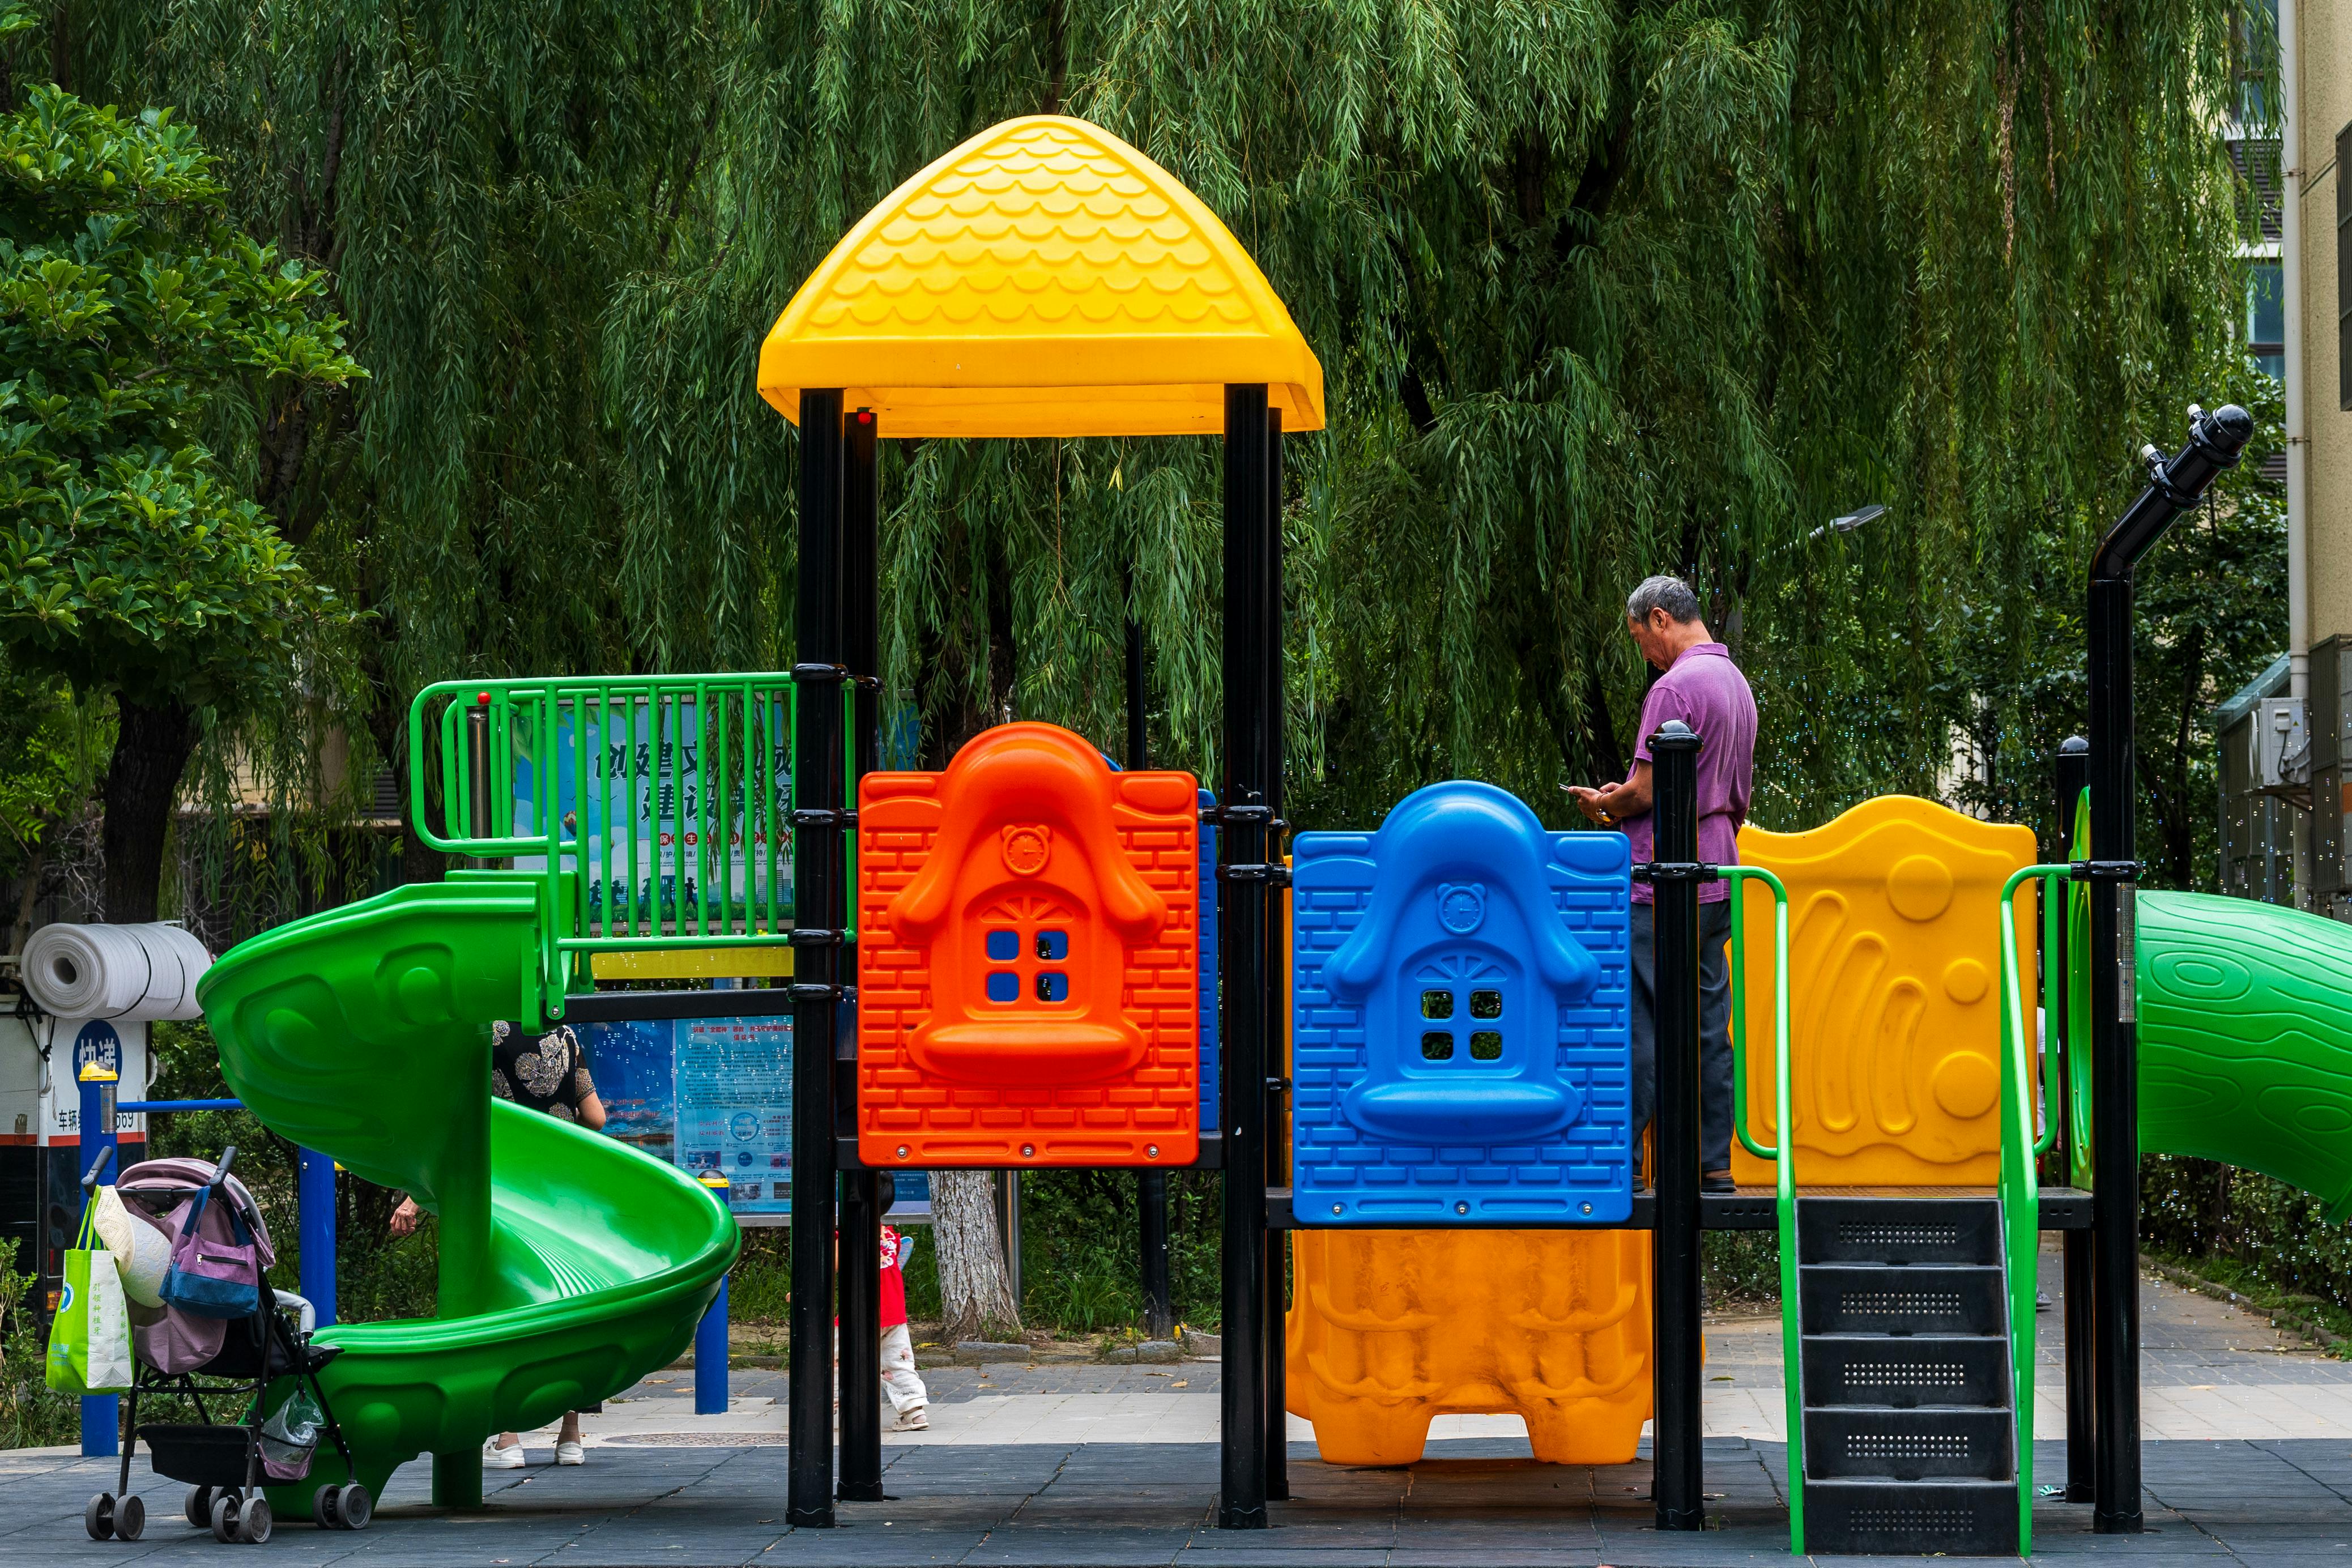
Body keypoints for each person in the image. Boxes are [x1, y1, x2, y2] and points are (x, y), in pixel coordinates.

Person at [1565, 575, 1757, 1195]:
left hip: (1663, 877)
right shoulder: (1737, 685)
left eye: (1639, 638)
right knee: (1708, 1022)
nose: (1642, 652)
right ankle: (1713, 1160)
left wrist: (1603, 804)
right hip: (1717, 872)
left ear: (1659, 619)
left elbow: (1647, 791)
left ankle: (1621, 1159)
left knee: (1642, 1019)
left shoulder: (1674, 687)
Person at [389, 1019, 607, 1467]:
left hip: (504, 1189)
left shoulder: (480, 1033)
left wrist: (413, 1199)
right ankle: (570, 1436)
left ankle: (508, 1437)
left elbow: (458, 1125)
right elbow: (596, 1117)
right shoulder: (563, 1033)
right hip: (559, 1192)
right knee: (561, 1302)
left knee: (505, 1300)